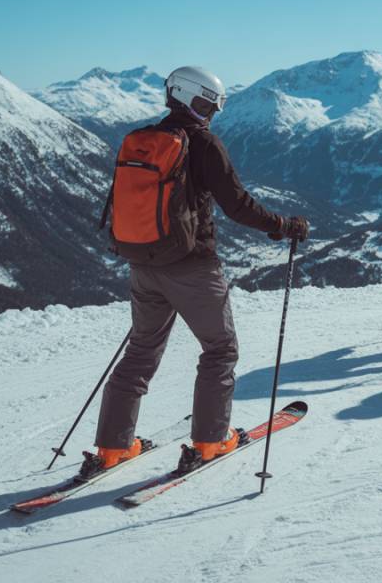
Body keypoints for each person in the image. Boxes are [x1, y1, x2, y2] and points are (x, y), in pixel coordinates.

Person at [91, 66, 309, 475]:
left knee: (139, 352)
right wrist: (283, 227)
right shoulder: (203, 144)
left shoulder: (143, 140)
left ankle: (112, 448)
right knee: (220, 349)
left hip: (142, 262)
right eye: (209, 104)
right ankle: (210, 440)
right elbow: (238, 205)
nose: (211, 113)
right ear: (191, 99)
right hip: (191, 266)